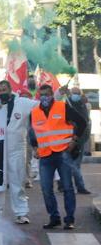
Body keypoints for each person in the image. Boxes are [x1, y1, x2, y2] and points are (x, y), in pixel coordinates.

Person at [29, 84, 87, 230]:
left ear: (51, 95)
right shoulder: (35, 112)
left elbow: (82, 122)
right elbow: (32, 132)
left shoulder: (62, 107)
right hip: (45, 155)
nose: (44, 97)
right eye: (41, 95)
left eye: (47, 94)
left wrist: (74, 140)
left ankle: (69, 219)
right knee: (46, 189)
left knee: (67, 187)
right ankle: (54, 218)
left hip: (63, 153)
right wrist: (35, 147)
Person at [0, 80, 37, 224]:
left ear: (10, 89)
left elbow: (44, 106)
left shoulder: (23, 103)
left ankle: (21, 213)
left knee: (17, 181)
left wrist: (58, 96)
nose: (2, 92)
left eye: (4, 89)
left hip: (17, 149)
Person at [64, 87, 92, 194]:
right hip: (67, 139)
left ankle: (75, 186)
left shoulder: (84, 105)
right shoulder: (67, 104)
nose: (75, 95)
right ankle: (76, 186)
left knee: (75, 164)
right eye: (73, 93)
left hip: (78, 140)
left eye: (77, 93)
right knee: (69, 164)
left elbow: (85, 123)